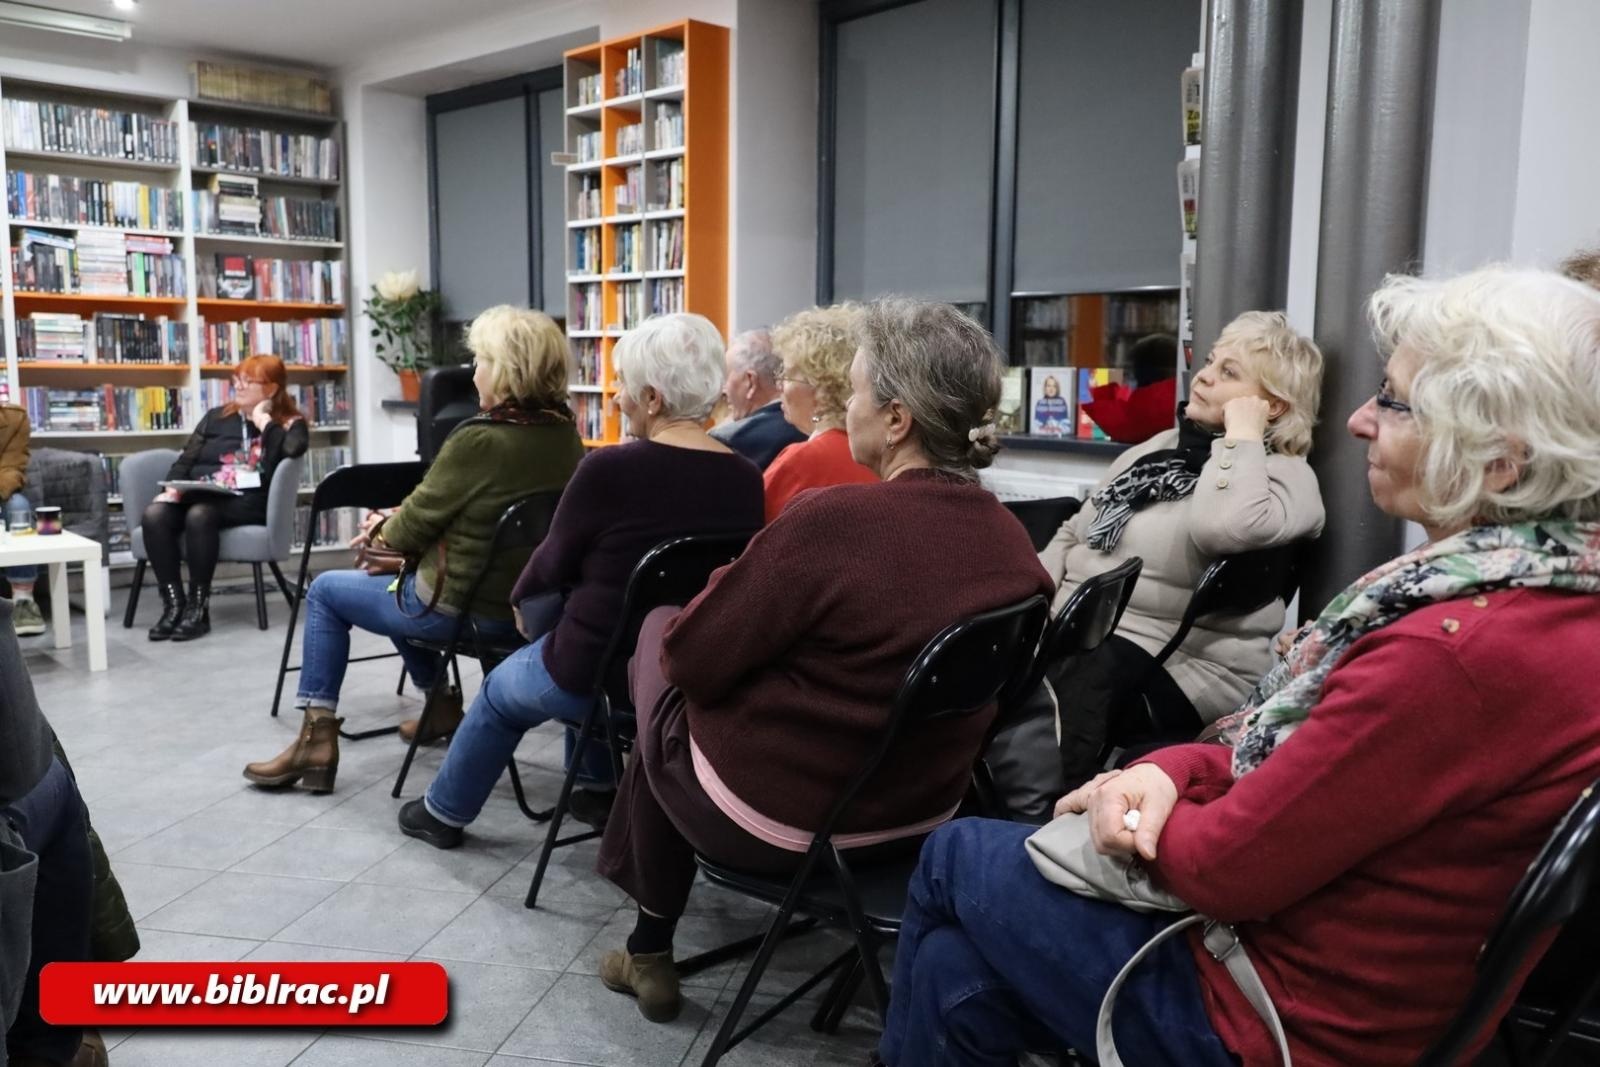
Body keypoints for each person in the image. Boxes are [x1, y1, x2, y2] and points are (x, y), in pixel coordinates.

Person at [875, 266, 1600, 1067]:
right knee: (956, 966)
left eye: (1393, 400)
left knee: (952, 855)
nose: (1360, 419)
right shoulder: (1550, 601)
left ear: (1501, 460)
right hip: (1360, 989)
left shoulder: (1452, 650)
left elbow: (1228, 869)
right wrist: (1168, 770)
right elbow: (1308, 773)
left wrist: (1133, 798)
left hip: (1272, 1018)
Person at [589, 298, 1055, 1024]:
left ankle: (650, 941)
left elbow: (691, 658)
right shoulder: (1011, 540)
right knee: (682, 708)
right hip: (919, 811)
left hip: (782, 819)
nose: (847, 405)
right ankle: (646, 943)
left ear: (897, 419)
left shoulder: (834, 521)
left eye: (858, 392)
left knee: (658, 646)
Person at [398, 312, 764, 847]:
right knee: (580, 636)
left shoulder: (609, 470)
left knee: (502, 687)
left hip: (593, 671)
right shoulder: (746, 478)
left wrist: (523, 603)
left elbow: (551, 564)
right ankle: (595, 785)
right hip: (681, 678)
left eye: (625, 390)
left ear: (654, 399)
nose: (617, 400)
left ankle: (442, 813)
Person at [242, 306, 584, 793]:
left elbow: (408, 531)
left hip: (460, 608)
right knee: (393, 584)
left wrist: (381, 527)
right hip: (523, 610)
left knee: (326, 592)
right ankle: (441, 705)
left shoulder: (479, 439)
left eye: (481, 361)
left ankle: (316, 740)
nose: (474, 373)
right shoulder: (564, 436)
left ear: (507, 370)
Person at [140, 354, 310, 641]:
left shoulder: (289, 422)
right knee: (154, 516)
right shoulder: (216, 417)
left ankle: (198, 608)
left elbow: (294, 450)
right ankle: (173, 604)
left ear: (271, 389)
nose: (239, 386)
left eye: (248, 380)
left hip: (249, 501)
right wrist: (170, 490)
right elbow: (186, 459)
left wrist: (264, 422)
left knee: (200, 515)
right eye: (237, 379)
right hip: (202, 493)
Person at [760, 305, 877, 522]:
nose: (779, 387)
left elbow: (754, 545)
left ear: (822, 388)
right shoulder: (880, 455)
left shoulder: (800, 463)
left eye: (786, 374)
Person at [708, 328, 805, 469]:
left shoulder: (728, 443)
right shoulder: (809, 429)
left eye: (726, 377)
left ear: (750, 381)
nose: (723, 389)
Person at [1, 402, 45, 637]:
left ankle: (23, 601)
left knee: (19, 505)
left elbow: (11, 469)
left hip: (0, 490)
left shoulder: (14, 419)